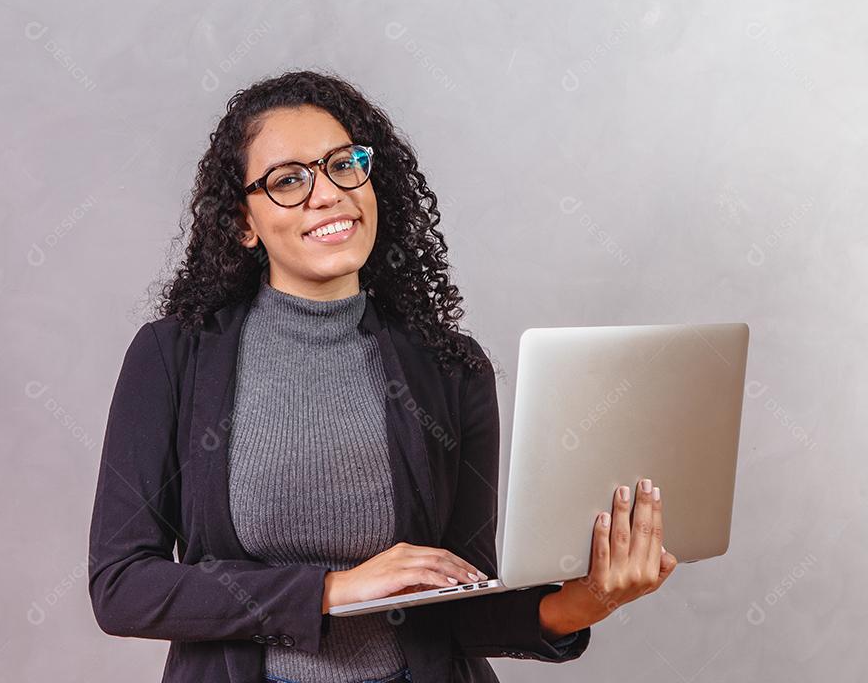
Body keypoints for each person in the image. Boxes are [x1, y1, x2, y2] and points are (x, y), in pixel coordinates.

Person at [87, 69, 678, 683]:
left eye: (344, 164)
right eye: (288, 180)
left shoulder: (450, 367)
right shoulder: (173, 357)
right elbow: (123, 586)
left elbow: (460, 606)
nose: (327, 194)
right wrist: (333, 590)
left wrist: (592, 598)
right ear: (243, 223)